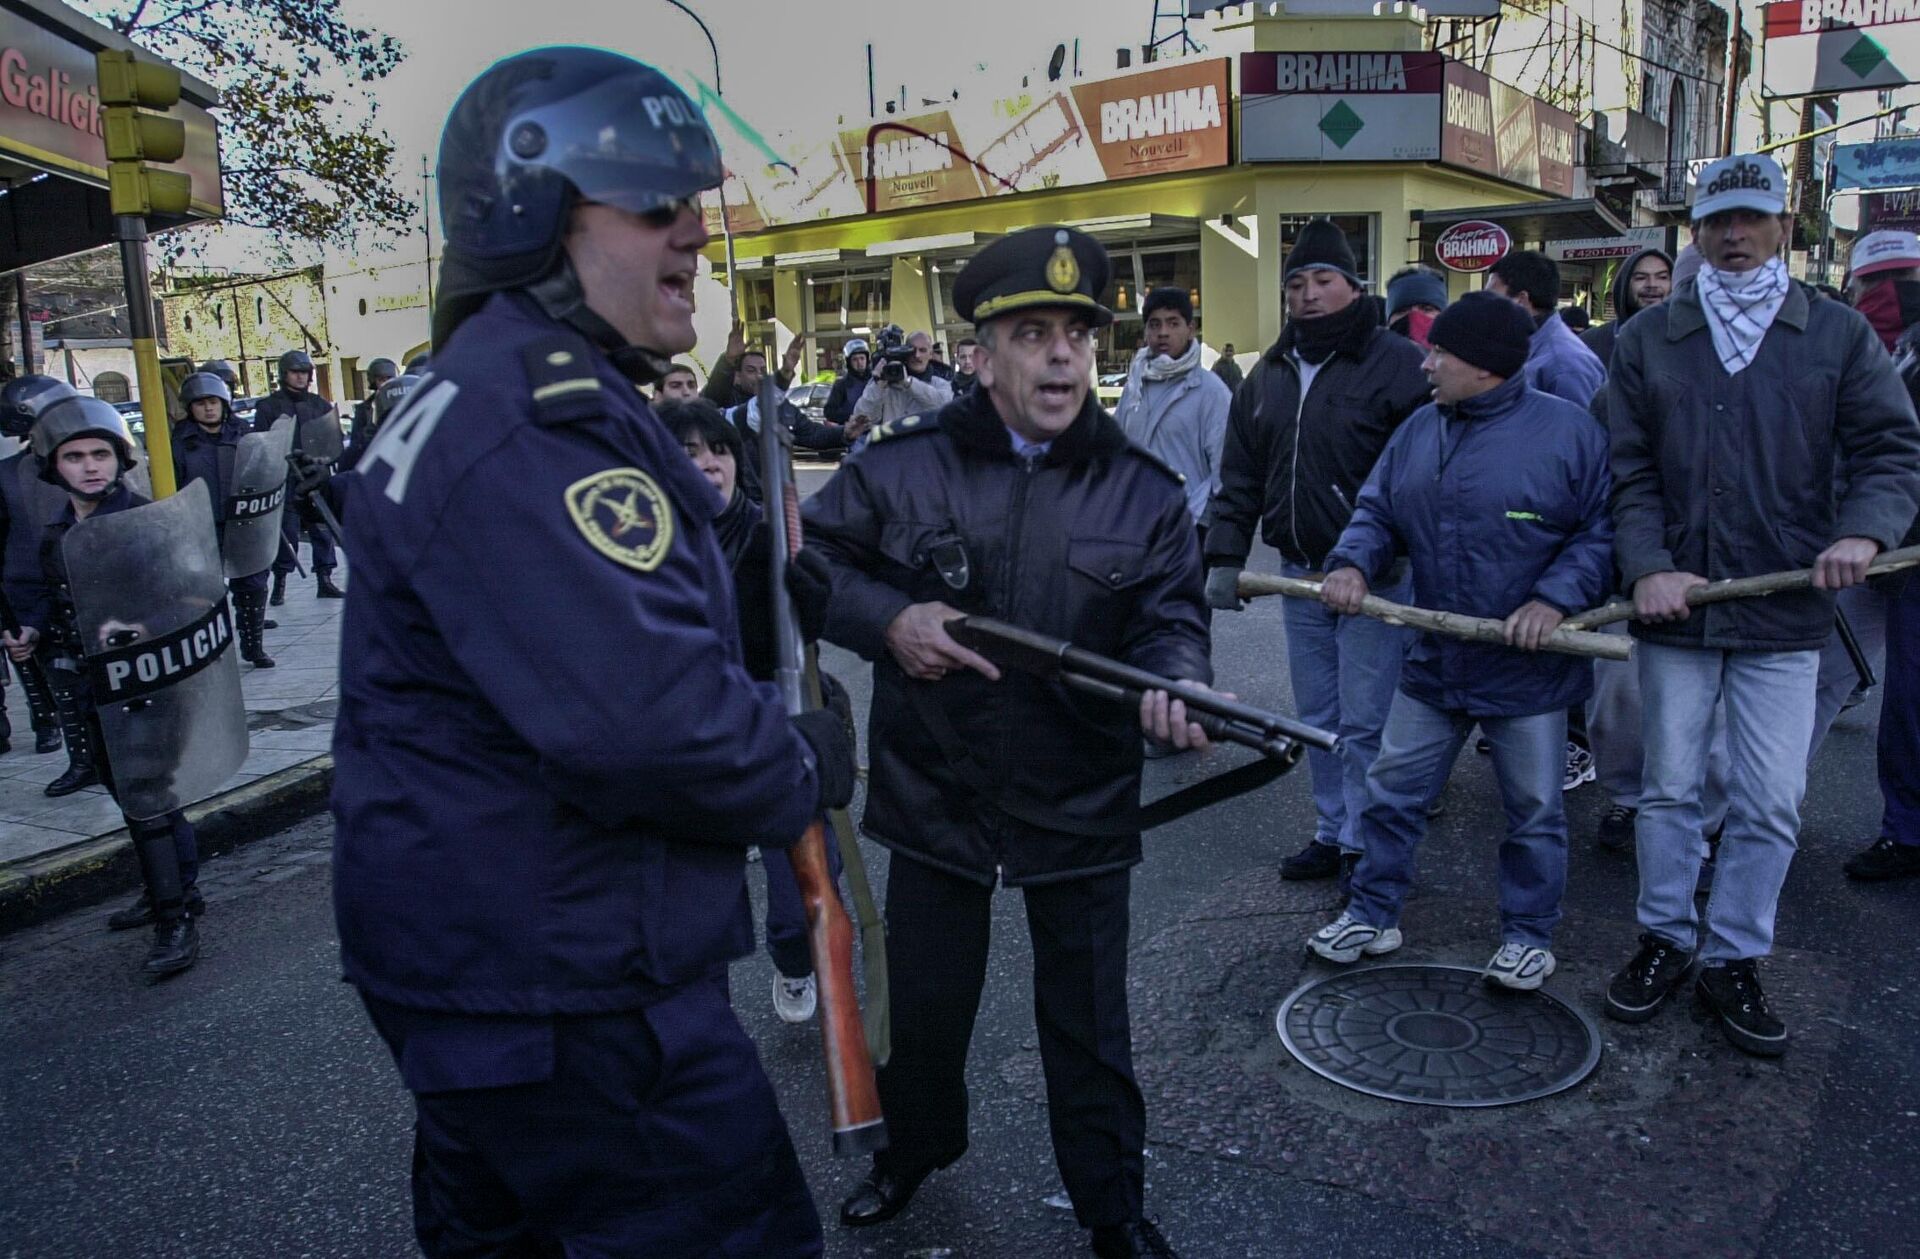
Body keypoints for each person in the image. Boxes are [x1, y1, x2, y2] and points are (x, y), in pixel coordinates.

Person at [330, 48, 853, 1256]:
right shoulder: (533, 419)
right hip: (568, 987)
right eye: (658, 207)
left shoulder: (500, 390)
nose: (694, 240)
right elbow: (647, 720)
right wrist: (797, 762)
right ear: (535, 213)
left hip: (498, 970)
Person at [806, 225, 1205, 1259]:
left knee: (1088, 1028)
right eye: (1034, 333)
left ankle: (1112, 1208)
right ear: (981, 354)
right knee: (928, 1011)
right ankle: (913, 1154)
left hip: (1079, 795)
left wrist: (1180, 679)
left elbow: (1172, 616)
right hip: (935, 788)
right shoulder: (900, 471)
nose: (1063, 353)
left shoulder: (1145, 493)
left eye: (1079, 331)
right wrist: (889, 620)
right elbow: (815, 568)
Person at [1601, 152, 1920, 1057]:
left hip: (1785, 615)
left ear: (1785, 227)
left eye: (1750, 219)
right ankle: (1664, 938)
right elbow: (1626, 472)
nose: (1733, 236)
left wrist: (1865, 531)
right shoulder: (1649, 341)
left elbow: (1891, 451)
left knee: (1771, 800)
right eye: (1716, 222)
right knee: (1668, 792)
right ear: (1694, 233)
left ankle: (1732, 955)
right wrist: (1646, 566)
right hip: (1679, 612)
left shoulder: (1836, 335)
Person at [1305, 292, 1614, 986]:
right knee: (1389, 792)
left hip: (1528, 670)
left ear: (1485, 365)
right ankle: (1373, 913)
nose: (1428, 364)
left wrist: (1554, 599)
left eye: (1439, 351)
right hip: (1435, 660)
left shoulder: (1568, 434)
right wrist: (1353, 560)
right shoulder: (1421, 428)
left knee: (1533, 810)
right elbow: (1377, 508)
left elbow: (1600, 532)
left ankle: (1530, 935)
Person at [1205, 217, 1431, 885]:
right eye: (1296, 282)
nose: (1307, 294)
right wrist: (1224, 556)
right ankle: (1333, 829)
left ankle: (1371, 842)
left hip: (1374, 576)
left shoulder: (1396, 365)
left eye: (1323, 280)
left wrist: (1372, 557)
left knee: (1367, 720)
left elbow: (1413, 478)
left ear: (1354, 287)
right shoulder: (1268, 372)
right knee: (1318, 718)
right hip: (1298, 573)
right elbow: (1240, 471)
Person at [659, 397, 844, 1022]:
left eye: (718, 450)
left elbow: (809, 639)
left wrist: (813, 602)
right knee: (687, 932)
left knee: (804, 900)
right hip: (685, 752)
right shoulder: (640, 550)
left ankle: (796, 966)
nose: (709, 464)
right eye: (687, 453)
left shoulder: (772, 535)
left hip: (773, 733)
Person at [5, 398, 204, 975]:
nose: (90, 466)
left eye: (100, 454)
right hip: (93, 690)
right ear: (53, 466)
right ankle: (176, 892)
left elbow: (193, 597)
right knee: (132, 799)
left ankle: (176, 920)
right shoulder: (56, 534)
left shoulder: (148, 521)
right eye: (75, 457)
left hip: (147, 686)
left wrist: (146, 623)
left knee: (150, 802)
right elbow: (48, 598)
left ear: (120, 459)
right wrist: (30, 633)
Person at [174, 372, 276, 668]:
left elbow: (263, 471)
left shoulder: (243, 433)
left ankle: (253, 646)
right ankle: (210, 649)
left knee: (254, 586)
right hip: (199, 525)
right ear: (190, 407)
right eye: (201, 403)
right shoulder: (179, 440)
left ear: (224, 403)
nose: (208, 408)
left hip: (244, 522)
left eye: (213, 402)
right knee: (202, 592)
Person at [1114, 286, 1231, 536]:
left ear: (1191, 329)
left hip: (1189, 527)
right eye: (1154, 324)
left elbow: (1225, 469)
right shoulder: (1134, 386)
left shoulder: (1211, 392)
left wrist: (1208, 524)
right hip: (1136, 526)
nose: (1163, 333)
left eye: (1173, 323)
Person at [0, 375, 75, 760]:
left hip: (75, 577)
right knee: (33, 659)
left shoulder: (81, 460)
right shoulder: (8, 474)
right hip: (25, 582)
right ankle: (45, 723)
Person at [253, 349, 341, 603]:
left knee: (321, 529)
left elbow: (332, 441)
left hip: (314, 474)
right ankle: (280, 582)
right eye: (295, 372)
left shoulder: (319, 404)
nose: (300, 377)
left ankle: (325, 579)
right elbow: (262, 443)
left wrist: (327, 463)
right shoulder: (269, 407)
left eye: (304, 372)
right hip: (285, 477)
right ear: (284, 374)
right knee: (288, 533)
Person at [1487, 250, 1606, 408]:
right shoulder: (1519, 343)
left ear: (1521, 300)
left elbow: (1577, 429)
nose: (1486, 305)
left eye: (1492, 297)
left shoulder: (1564, 364)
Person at [1582, 248, 1672, 365]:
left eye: (1662, 277)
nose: (1652, 285)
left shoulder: (1689, 342)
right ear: (1624, 286)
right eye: (1641, 278)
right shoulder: (1591, 343)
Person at [702, 323, 803, 408]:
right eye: (751, 371)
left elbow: (776, 389)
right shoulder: (727, 399)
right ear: (738, 375)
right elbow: (715, 392)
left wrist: (786, 370)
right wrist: (729, 359)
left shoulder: (768, 399)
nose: (759, 376)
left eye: (763, 371)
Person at [1384, 265, 1448, 348]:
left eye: (1426, 309)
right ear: (1388, 320)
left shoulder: (1460, 358)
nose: (1414, 316)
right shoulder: (1372, 358)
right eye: (1402, 310)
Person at [823, 337, 871, 424]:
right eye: (855, 359)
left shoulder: (875, 380)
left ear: (867, 360)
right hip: (853, 432)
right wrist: (851, 417)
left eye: (862, 358)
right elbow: (829, 412)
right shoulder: (841, 385)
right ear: (849, 362)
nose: (859, 363)